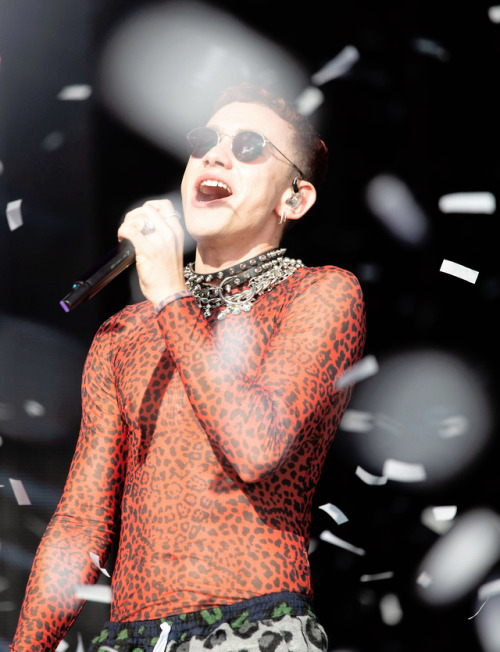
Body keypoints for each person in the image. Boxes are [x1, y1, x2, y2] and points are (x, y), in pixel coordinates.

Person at [10, 84, 366, 652]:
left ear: (294, 200)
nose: (215, 156)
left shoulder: (320, 294)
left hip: (256, 626)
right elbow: (80, 523)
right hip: (128, 638)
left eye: (249, 147)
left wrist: (170, 296)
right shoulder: (125, 333)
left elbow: (256, 446)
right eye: (204, 141)